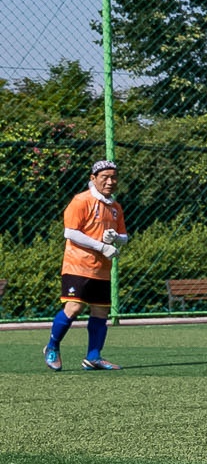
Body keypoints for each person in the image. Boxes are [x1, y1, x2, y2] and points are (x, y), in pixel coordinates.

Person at [48, 159, 127, 372]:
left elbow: (124, 237)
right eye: (105, 177)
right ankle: (52, 346)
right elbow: (71, 232)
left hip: (102, 269)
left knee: (100, 312)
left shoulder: (115, 207)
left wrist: (115, 238)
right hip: (77, 265)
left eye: (114, 177)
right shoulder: (81, 200)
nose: (110, 181)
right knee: (74, 307)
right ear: (93, 179)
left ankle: (93, 357)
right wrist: (102, 247)